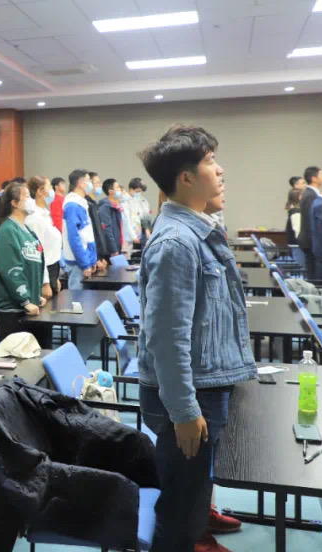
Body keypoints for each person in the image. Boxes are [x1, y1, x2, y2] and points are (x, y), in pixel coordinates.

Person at [136, 125, 255, 552]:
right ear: (185, 178)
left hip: (204, 382)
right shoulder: (177, 243)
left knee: (194, 485)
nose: (220, 171)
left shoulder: (197, 228)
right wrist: (184, 410)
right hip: (189, 396)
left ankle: (198, 526)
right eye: (209, 162)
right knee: (180, 505)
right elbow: (167, 338)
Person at [0, 180, 52, 315]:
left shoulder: (26, 229)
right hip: (12, 307)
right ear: (15, 203)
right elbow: (11, 269)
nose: (31, 200)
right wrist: (26, 301)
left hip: (27, 303)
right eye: (27, 196)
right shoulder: (7, 231)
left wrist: (34, 296)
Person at [62, 169, 99, 291]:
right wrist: (84, 263)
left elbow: (87, 235)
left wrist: (92, 260)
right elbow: (74, 238)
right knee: (77, 298)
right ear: (80, 184)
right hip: (77, 262)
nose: (91, 184)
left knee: (87, 298)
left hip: (85, 259)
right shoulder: (72, 206)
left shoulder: (82, 203)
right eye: (89, 181)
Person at [26, 176, 62, 295]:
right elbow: (38, 253)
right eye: (49, 187)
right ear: (40, 191)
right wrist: (45, 282)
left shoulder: (44, 214)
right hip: (44, 272)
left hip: (53, 269)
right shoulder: (34, 218)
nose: (52, 191)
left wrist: (56, 277)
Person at [298, 166, 322, 281]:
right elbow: (310, 222)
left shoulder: (310, 194)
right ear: (314, 178)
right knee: (314, 276)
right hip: (311, 242)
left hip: (309, 241)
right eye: (321, 174)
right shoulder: (311, 196)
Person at [97, 178, 126, 258]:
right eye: (117, 187)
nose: (120, 189)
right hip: (111, 249)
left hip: (118, 245)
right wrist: (113, 249)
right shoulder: (105, 207)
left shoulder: (116, 207)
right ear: (110, 192)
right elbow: (107, 229)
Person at [127, 177, 153, 244]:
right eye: (137, 191)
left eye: (141, 191)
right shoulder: (126, 201)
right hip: (132, 233)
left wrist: (148, 229)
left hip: (144, 232)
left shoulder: (143, 200)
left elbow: (147, 216)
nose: (139, 193)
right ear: (131, 189)